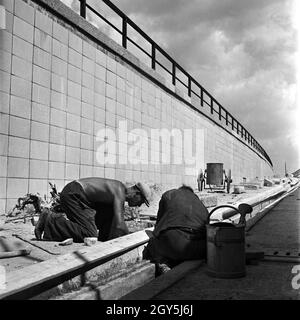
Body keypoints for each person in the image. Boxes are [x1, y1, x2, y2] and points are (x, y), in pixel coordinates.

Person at [34, 178, 152, 243]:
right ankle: (49, 219)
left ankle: (104, 237)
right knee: (89, 234)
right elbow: (119, 223)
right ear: (136, 193)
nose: (139, 205)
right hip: (74, 194)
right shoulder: (119, 191)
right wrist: (131, 241)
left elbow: (114, 220)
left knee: (110, 213)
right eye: (141, 201)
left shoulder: (118, 190)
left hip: (78, 195)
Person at [143, 185, 209, 276]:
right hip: (202, 250)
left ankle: (163, 263)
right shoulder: (198, 201)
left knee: (152, 245)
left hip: (175, 246)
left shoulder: (169, 194)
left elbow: (158, 227)